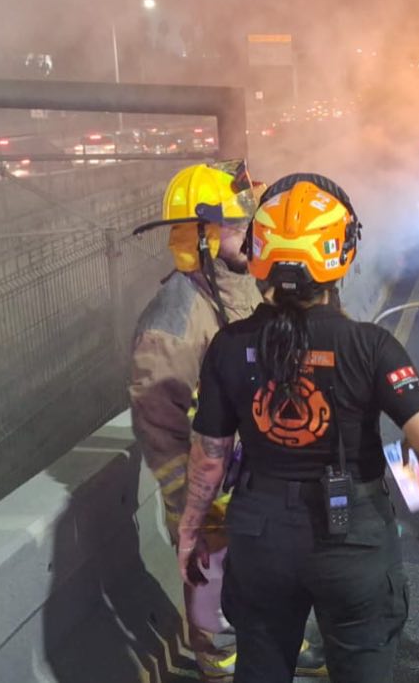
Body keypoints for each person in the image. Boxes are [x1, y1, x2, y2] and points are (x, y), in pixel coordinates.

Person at [177, 172, 419, 682]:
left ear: (260, 257)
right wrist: (406, 475)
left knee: (260, 664)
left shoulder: (229, 344)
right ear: (341, 256)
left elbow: (210, 455)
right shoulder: (369, 346)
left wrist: (192, 529)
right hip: (351, 536)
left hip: (259, 534)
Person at [128, 161, 325, 681]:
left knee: (267, 578)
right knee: (212, 590)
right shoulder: (172, 322)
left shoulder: (239, 290)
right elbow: (160, 426)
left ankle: (286, 641)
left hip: (255, 484)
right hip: (212, 495)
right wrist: (195, 506)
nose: (252, 237)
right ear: (202, 238)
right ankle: (220, 668)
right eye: (239, 227)